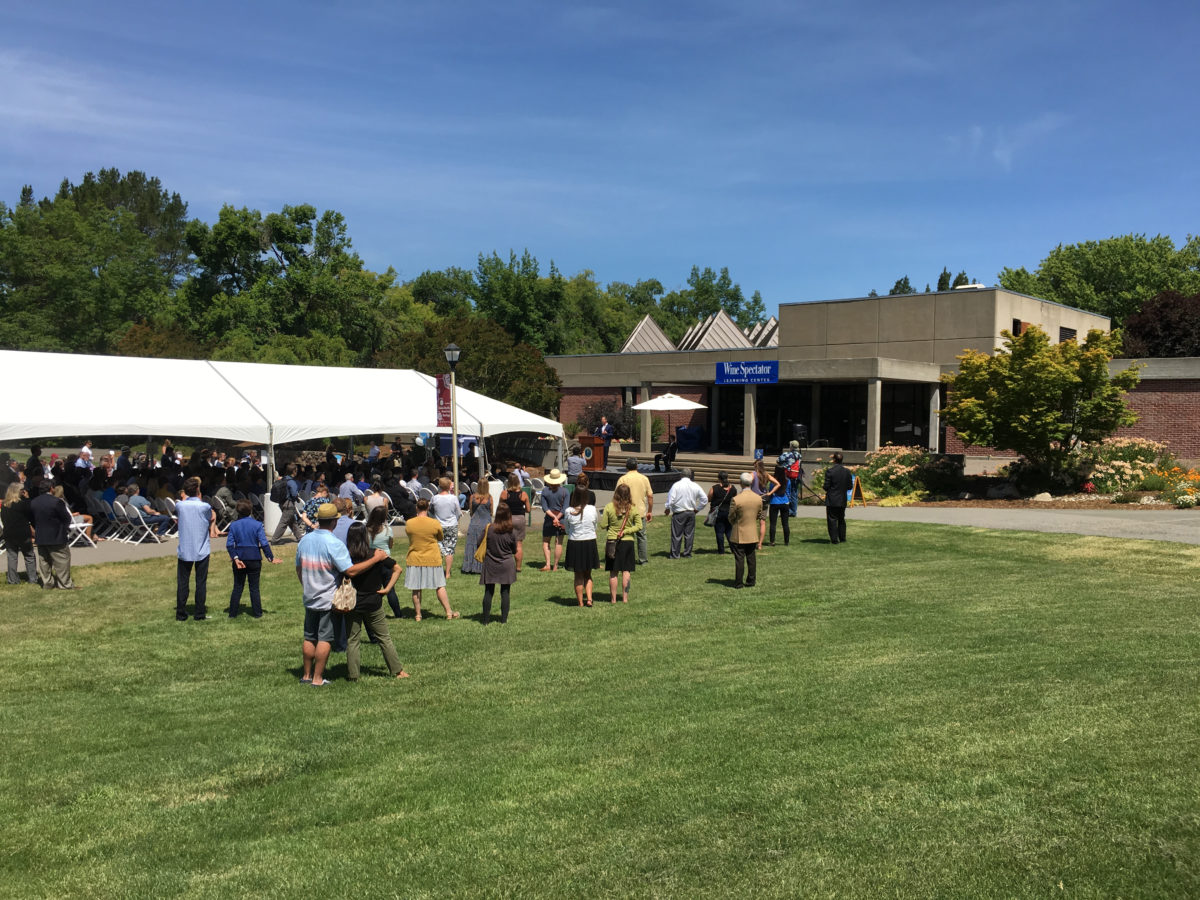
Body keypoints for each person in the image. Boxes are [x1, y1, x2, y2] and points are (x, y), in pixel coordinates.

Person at [296, 502, 387, 686]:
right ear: (334, 523)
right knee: (325, 638)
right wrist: (376, 559)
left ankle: (306, 675)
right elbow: (351, 571)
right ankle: (318, 678)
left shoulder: (304, 540)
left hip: (309, 595)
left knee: (309, 636)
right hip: (328, 597)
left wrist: (306, 585)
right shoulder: (334, 543)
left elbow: (299, 568)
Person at [344, 522, 409, 681]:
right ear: (365, 537)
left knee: (353, 640)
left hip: (351, 602)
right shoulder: (376, 554)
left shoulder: (345, 557)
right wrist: (387, 589)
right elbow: (398, 569)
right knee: (384, 637)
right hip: (373, 601)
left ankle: (353, 675)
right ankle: (397, 671)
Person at [405, 497, 459, 621]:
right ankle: (449, 612)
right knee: (440, 586)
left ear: (416, 508)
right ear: (428, 508)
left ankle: (418, 615)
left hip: (415, 557)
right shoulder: (434, 523)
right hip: (432, 558)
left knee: (416, 588)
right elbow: (440, 537)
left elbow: (409, 534)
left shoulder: (409, 523)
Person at [226, 499, 281, 617]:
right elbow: (264, 543)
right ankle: (257, 613)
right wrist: (270, 557)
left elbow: (230, 544)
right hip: (254, 558)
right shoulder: (257, 525)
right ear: (251, 510)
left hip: (239, 558)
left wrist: (235, 557)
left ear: (237, 511)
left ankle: (232, 613)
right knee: (254, 588)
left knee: (238, 586)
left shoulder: (234, 525)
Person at [175, 476, 218, 620]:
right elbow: (209, 518)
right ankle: (199, 613)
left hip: (185, 548)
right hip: (201, 548)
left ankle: (180, 612)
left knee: (183, 582)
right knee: (201, 582)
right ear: (198, 490)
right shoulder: (204, 506)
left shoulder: (180, 505)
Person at [30, 481, 78, 590]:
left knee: (44, 562)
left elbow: (32, 519)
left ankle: (47, 583)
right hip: (56, 535)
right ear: (51, 488)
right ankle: (65, 584)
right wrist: (63, 528)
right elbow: (66, 518)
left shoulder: (34, 502)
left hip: (41, 535)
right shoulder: (56, 502)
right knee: (62, 561)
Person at [479, 504, 519, 624]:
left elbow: (479, 543)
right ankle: (504, 620)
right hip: (506, 564)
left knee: (488, 592)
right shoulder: (511, 531)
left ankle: (485, 620)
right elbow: (514, 550)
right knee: (505, 592)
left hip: (490, 563)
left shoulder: (489, 528)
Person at [563, 478, 599, 607]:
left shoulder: (568, 511)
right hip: (589, 542)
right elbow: (595, 525)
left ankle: (580, 602)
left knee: (578, 574)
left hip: (575, 543)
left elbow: (567, 529)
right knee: (588, 573)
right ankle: (589, 599)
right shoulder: (592, 509)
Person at [365, 504, 404, 618]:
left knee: (372, 589)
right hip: (386, 561)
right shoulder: (387, 530)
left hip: (371, 561)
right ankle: (398, 614)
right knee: (390, 590)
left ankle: (371, 612)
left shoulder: (366, 529)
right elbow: (390, 545)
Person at [615, 457, 653, 565]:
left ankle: (625, 558)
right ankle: (643, 559)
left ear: (626, 467)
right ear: (637, 466)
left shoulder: (623, 479)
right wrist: (650, 511)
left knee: (625, 535)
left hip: (625, 511)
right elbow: (650, 496)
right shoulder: (644, 478)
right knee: (642, 536)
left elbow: (617, 496)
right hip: (640, 511)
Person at [664, 467, 708, 559]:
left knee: (676, 534)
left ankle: (675, 554)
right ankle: (687, 553)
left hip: (679, 512)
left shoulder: (676, 485)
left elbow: (671, 499)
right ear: (690, 475)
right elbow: (704, 499)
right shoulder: (695, 485)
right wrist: (697, 509)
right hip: (691, 512)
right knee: (689, 534)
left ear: (681, 475)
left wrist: (667, 508)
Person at [728, 473, 761, 589]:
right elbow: (759, 515)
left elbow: (731, 516)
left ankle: (738, 582)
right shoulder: (758, 498)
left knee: (739, 559)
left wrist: (735, 523)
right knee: (751, 558)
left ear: (740, 483)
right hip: (752, 532)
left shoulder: (736, 499)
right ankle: (751, 580)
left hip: (739, 532)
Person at [2, 482, 38, 585]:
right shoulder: (23, 503)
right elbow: (31, 513)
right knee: (29, 556)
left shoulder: (5, 504)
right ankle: (32, 578)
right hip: (22, 533)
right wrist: (27, 498)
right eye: (22, 490)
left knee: (12, 556)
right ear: (19, 492)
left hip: (9, 533)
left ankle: (12, 579)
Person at [429, 477, 461, 580]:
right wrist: (455, 520)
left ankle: (438, 571)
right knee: (449, 549)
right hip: (451, 525)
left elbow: (431, 512)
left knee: (438, 548)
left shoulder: (435, 498)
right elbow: (458, 512)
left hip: (438, 526)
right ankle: (447, 573)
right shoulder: (453, 498)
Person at [460, 476, 493, 575]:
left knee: (472, 545)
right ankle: (482, 566)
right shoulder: (489, 497)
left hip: (474, 523)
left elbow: (471, 512)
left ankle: (469, 566)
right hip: (485, 524)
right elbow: (491, 511)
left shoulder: (473, 497)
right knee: (485, 546)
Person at [538, 468, 569, 571]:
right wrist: (557, 518)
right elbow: (565, 508)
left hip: (548, 519)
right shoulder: (565, 491)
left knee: (546, 541)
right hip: (561, 519)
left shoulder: (545, 491)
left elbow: (544, 507)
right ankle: (555, 566)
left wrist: (553, 517)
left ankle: (547, 564)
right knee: (558, 542)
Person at [823, 452, 853, 545]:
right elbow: (849, 486)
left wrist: (825, 487)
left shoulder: (830, 471)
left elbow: (826, 486)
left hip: (832, 499)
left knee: (832, 519)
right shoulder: (847, 471)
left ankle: (834, 539)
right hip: (842, 498)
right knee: (841, 519)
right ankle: (842, 538)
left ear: (834, 460)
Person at [500, 474, 527, 571]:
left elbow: (501, 507)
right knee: (519, 544)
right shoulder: (523, 494)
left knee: (506, 543)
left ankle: (506, 565)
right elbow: (528, 509)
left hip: (508, 518)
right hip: (520, 519)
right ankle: (518, 567)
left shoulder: (504, 493)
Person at [270, 465, 304, 543]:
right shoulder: (291, 482)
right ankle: (275, 540)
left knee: (292, 522)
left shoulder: (283, 479)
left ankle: (299, 537)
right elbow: (294, 494)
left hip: (282, 503)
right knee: (284, 522)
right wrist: (297, 499)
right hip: (289, 504)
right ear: (294, 471)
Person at [750, 459, 778, 550]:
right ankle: (760, 544)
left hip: (754, 499)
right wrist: (770, 493)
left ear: (756, 466)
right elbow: (778, 484)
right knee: (762, 522)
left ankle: (753, 541)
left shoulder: (753, 474)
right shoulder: (766, 475)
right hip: (764, 498)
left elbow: (746, 483)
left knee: (752, 522)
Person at [707, 472, 736, 555]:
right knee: (729, 531)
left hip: (718, 513)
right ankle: (733, 549)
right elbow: (735, 500)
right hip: (729, 512)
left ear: (719, 478)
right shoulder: (733, 488)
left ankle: (721, 551)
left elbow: (709, 498)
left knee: (719, 532)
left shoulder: (714, 488)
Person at [777, 440, 804, 517]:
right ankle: (793, 511)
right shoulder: (799, 455)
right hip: (796, 476)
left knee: (787, 493)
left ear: (791, 446)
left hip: (788, 476)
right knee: (794, 494)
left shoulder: (786, 454)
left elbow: (778, 461)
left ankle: (788, 511)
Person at [768, 464, 791, 546]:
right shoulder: (788, 480)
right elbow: (789, 492)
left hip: (774, 502)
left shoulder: (773, 481)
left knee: (773, 523)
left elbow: (771, 490)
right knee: (785, 523)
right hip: (785, 502)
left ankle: (772, 541)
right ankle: (786, 541)